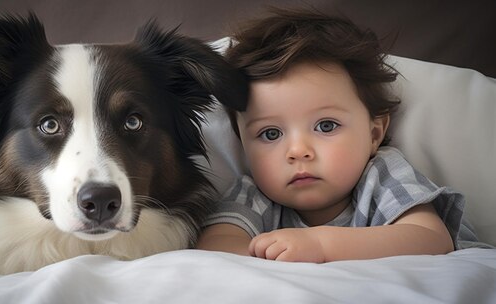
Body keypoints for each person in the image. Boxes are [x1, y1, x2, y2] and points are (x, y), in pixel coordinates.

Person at [197, 7, 483, 262]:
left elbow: (431, 238)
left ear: (373, 134)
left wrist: (322, 245)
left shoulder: (381, 176)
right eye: (271, 134)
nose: (298, 151)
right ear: (244, 147)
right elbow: (215, 246)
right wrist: (264, 259)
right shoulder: (253, 195)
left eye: (326, 126)